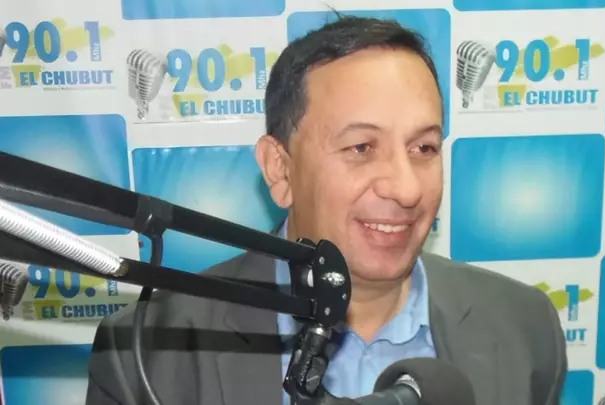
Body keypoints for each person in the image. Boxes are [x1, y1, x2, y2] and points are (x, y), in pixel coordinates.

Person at [85, 15, 567, 405]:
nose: (405, 189)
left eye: (424, 148)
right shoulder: (146, 354)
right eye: (361, 148)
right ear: (280, 170)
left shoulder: (526, 327)